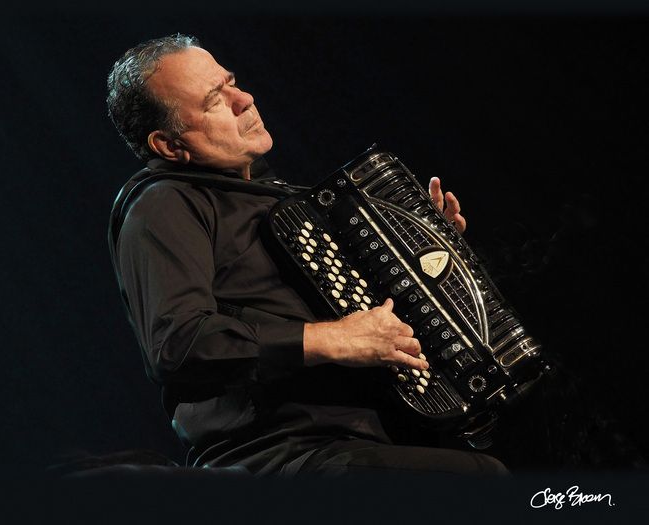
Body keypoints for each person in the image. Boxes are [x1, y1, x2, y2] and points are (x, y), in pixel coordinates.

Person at [106, 34, 507, 476]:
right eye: (215, 100)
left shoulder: (282, 201)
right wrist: (334, 339)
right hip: (279, 454)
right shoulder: (163, 204)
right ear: (169, 145)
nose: (245, 99)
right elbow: (178, 345)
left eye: (233, 82)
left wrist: (426, 251)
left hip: (376, 432)